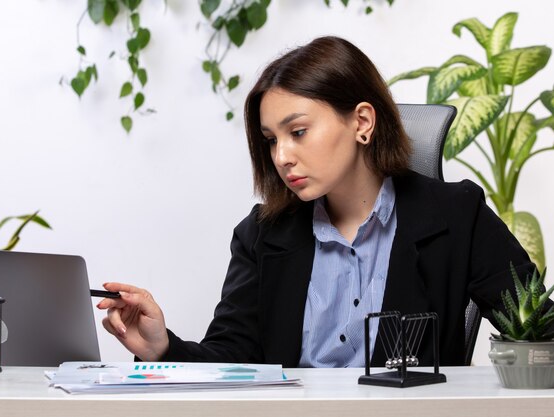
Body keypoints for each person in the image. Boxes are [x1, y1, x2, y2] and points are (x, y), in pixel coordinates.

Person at [97, 36, 534, 368]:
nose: (281, 156)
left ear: (362, 121)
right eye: (271, 140)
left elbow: (538, 331)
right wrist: (162, 349)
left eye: (298, 131)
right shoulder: (261, 234)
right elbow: (232, 360)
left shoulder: (457, 215)